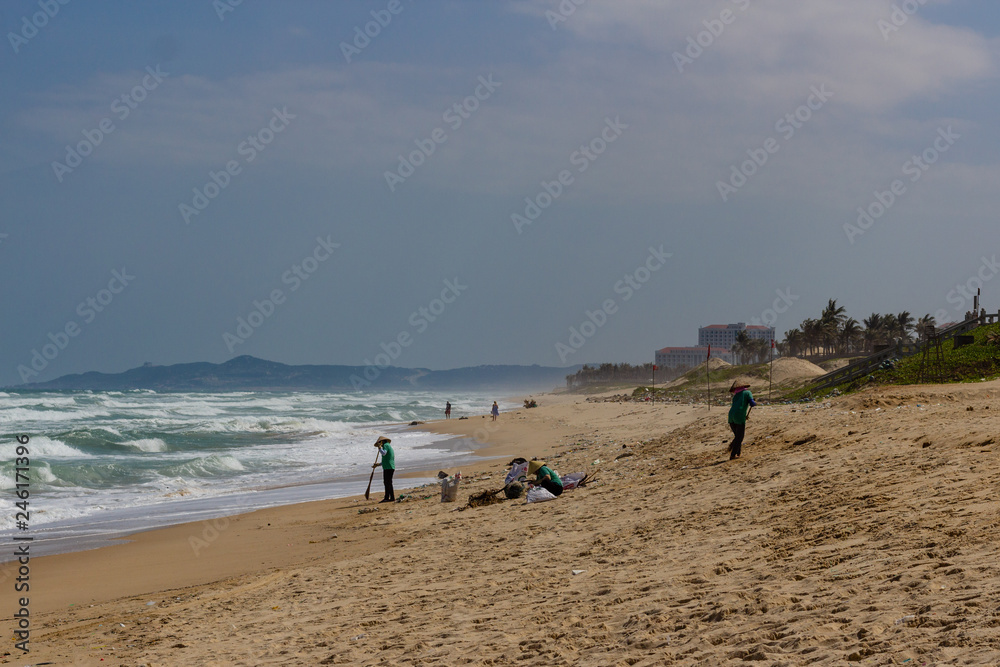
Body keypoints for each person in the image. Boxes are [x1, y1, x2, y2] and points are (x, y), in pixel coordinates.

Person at [727, 381, 757, 460]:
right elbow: (752, 403)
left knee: (737, 436)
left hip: (731, 416)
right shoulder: (747, 392)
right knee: (740, 437)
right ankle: (733, 455)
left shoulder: (736, 395)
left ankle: (738, 453)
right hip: (739, 416)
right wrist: (754, 402)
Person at [372, 436, 395, 503]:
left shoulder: (386, 445)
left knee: (387, 482)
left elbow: (384, 453)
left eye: (379, 442)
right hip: (389, 466)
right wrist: (378, 464)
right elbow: (386, 459)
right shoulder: (387, 446)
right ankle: (390, 497)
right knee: (388, 483)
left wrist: (379, 448)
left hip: (388, 467)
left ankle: (387, 498)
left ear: (382, 441)